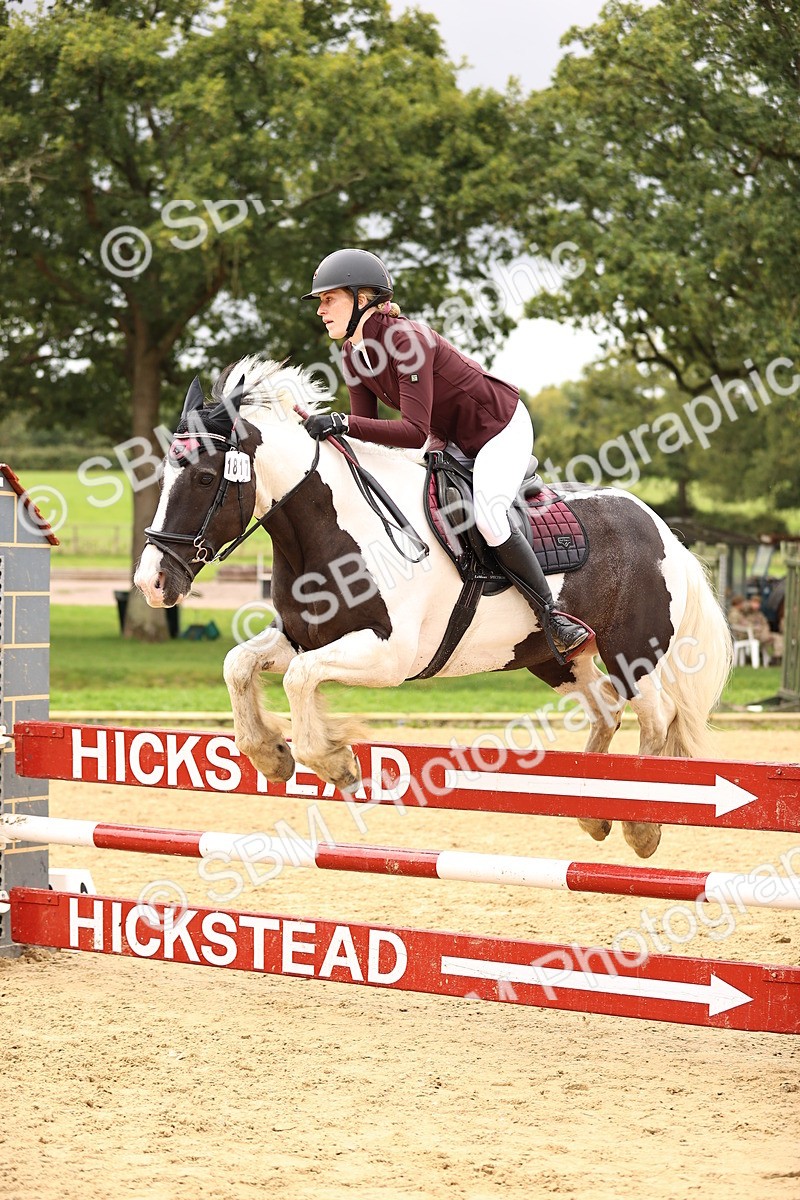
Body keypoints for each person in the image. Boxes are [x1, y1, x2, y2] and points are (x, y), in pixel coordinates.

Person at [300, 248, 594, 664]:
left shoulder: (406, 340)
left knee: (489, 516)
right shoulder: (353, 353)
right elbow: (365, 433)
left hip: (498, 428)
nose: (321, 310)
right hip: (448, 436)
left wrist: (341, 423)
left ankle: (552, 616)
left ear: (361, 298)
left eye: (329, 299)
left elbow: (410, 431)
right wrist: (326, 437)